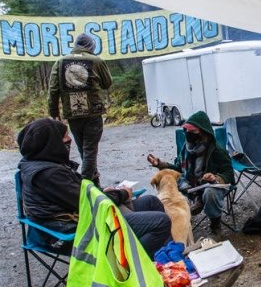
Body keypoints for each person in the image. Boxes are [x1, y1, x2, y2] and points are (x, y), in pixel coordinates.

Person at [18, 118, 171, 257]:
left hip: (82, 217)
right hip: (75, 231)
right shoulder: (48, 175)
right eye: (64, 136)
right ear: (51, 142)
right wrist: (122, 194)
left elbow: (79, 196)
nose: (69, 139)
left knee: (152, 201)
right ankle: (131, 268)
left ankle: (169, 258)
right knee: (160, 222)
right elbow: (90, 203)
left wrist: (103, 192)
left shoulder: (44, 163)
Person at [146, 110, 234, 233]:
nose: (188, 133)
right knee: (170, 187)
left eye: (192, 131)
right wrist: (160, 164)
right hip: (189, 185)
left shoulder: (217, 150)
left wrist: (215, 177)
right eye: (186, 130)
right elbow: (178, 170)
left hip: (210, 185)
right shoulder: (187, 148)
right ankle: (181, 221)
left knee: (210, 192)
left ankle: (215, 226)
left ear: (203, 132)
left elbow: (229, 174)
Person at [48, 33, 113, 187]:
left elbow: (53, 89)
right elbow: (107, 83)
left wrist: (54, 112)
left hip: (73, 114)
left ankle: (94, 183)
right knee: (90, 150)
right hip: (93, 112)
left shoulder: (60, 62)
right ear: (91, 46)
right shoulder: (96, 61)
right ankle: (86, 187)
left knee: (84, 151)